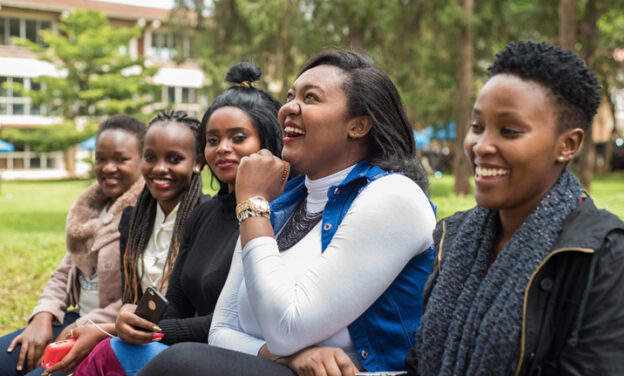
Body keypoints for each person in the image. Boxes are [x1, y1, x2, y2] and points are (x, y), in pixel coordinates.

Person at [138, 50, 436, 376]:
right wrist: (286, 358)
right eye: (290, 96)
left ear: (358, 125)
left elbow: (286, 328)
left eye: (311, 98)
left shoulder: (393, 197)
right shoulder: (280, 205)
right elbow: (221, 330)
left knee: (181, 365)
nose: (288, 108)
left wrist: (251, 202)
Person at [406, 41, 624, 376]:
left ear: (568, 145)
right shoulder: (452, 236)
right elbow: (418, 361)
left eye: (509, 131)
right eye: (477, 126)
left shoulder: (603, 256)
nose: (481, 146)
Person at [72, 62, 285, 375]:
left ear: (266, 141)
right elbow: (176, 303)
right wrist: (133, 320)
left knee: (112, 352)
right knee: (110, 350)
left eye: (238, 138)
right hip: (182, 351)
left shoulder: (273, 215)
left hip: (234, 359)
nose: (223, 149)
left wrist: (155, 333)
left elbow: (239, 321)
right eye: (212, 140)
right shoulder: (205, 214)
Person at [39, 110, 205, 375]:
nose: (159, 168)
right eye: (151, 158)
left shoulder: (204, 219)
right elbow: (129, 296)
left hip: (171, 348)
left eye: (174, 159)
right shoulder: (135, 219)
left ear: (197, 162)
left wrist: (106, 329)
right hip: (124, 335)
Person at [0, 115, 146, 376]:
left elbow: (136, 297)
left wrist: (78, 328)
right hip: (71, 318)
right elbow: (64, 271)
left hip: (105, 331)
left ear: (143, 160)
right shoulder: (90, 211)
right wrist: (42, 316)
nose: (107, 167)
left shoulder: (144, 216)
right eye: (100, 159)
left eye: (120, 159)